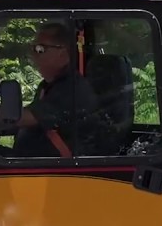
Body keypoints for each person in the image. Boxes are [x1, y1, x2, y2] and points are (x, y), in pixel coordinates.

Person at [7, 22, 98, 158]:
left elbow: (25, 118)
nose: (33, 55)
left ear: (63, 54)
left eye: (40, 49)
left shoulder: (71, 89)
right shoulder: (48, 86)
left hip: (55, 172)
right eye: (32, 48)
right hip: (31, 162)